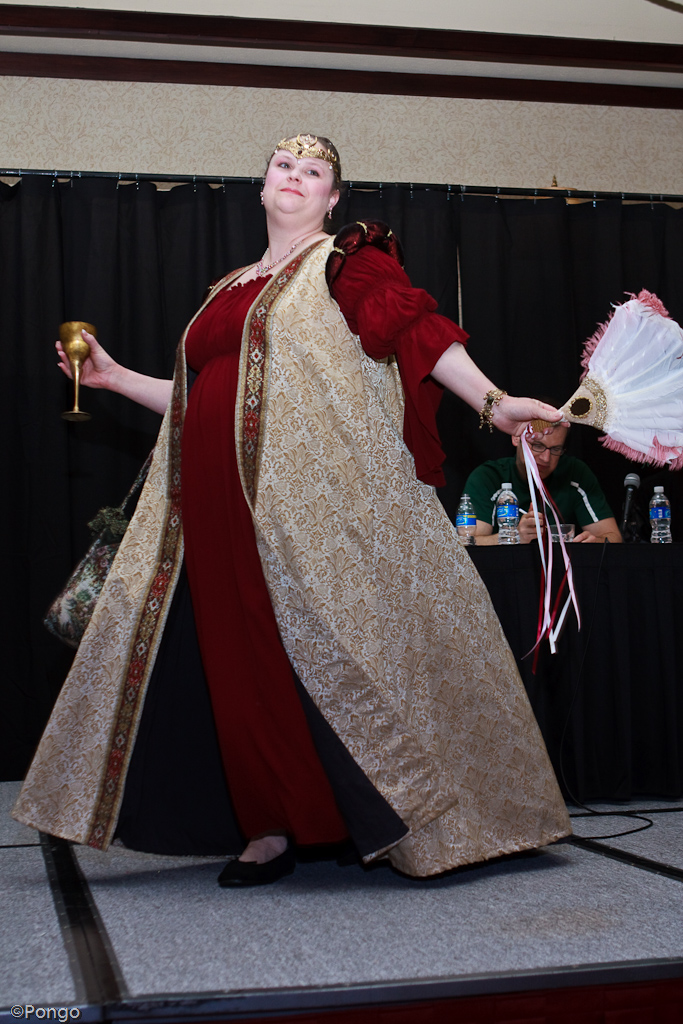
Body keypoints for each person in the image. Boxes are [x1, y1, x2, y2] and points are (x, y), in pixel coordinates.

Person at [14, 134, 571, 884]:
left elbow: (415, 330)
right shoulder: (229, 286)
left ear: (331, 199)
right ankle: (267, 825)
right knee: (234, 658)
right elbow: (200, 398)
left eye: (314, 172)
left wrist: (493, 402)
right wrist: (115, 379)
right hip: (210, 496)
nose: (295, 176)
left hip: (304, 502)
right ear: (261, 184)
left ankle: (378, 814)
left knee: (321, 651)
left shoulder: (345, 261)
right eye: (284, 165)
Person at [464, 421, 622, 545]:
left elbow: (614, 537)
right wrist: (515, 536)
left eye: (555, 449)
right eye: (537, 446)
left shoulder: (574, 473)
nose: (546, 458)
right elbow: (467, 543)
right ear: (516, 437)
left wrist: (595, 543)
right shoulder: (488, 477)